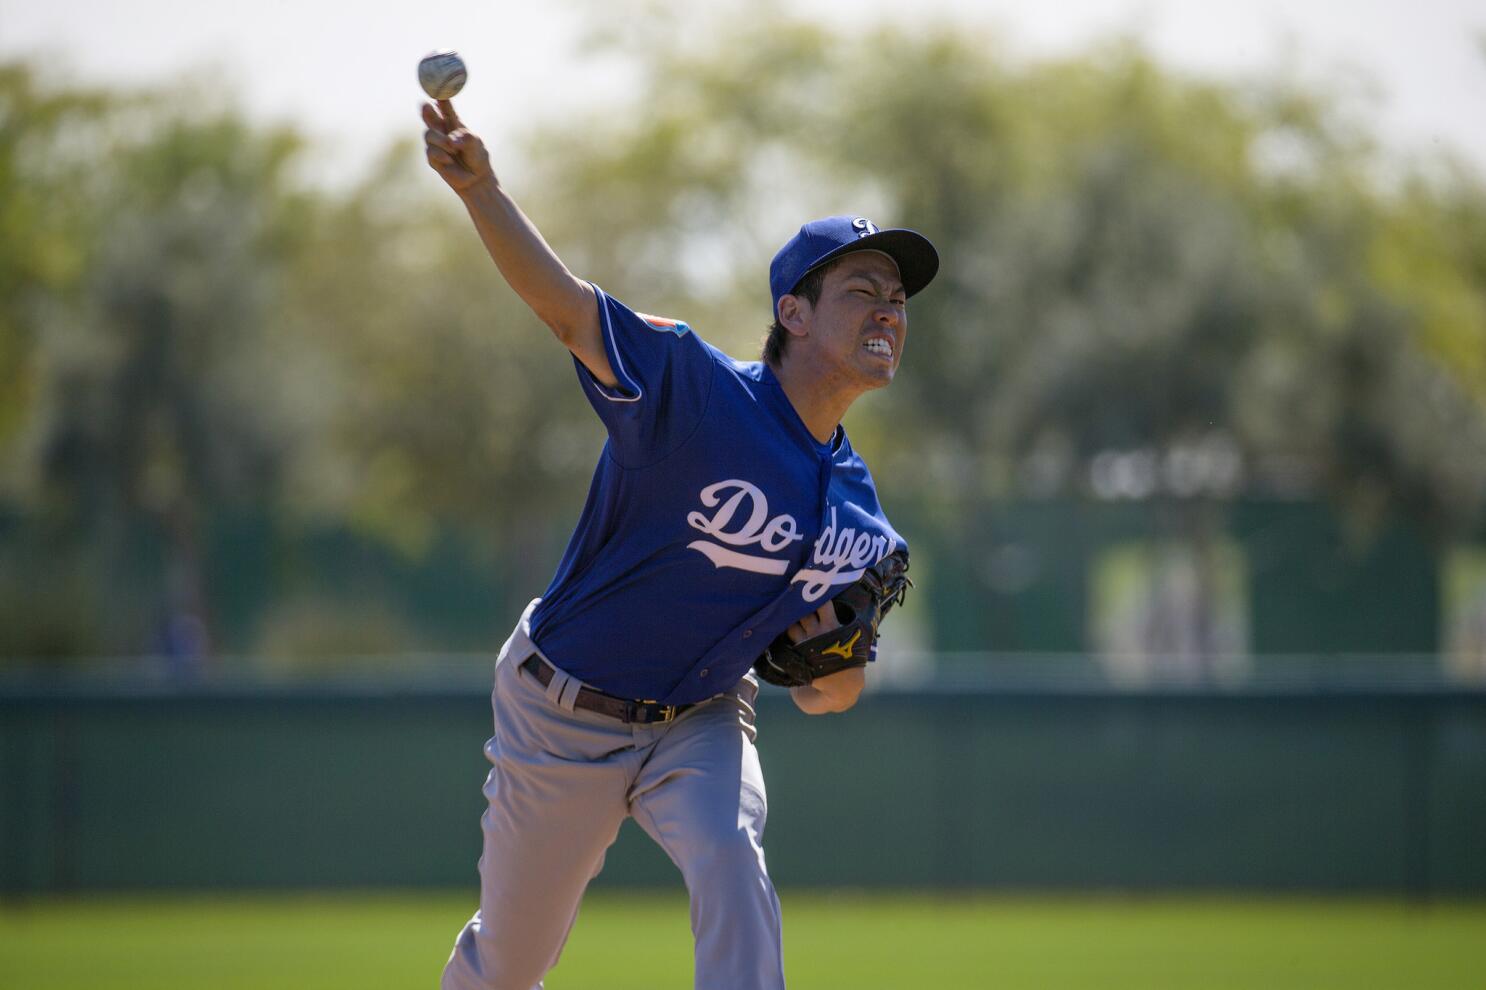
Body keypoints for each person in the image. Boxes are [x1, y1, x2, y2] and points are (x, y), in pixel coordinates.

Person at [422, 96, 938, 990]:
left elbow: (832, 696)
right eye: (862, 291)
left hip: (701, 717)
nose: (888, 312)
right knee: (509, 963)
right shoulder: (694, 391)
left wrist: (835, 662)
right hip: (560, 713)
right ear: (796, 312)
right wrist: (483, 192)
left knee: (732, 855)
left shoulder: (861, 516)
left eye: (897, 301)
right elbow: (569, 312)